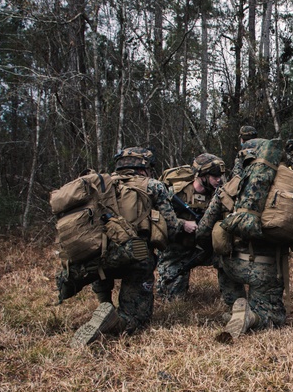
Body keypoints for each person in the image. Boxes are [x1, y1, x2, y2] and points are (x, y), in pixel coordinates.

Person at [68, 147, 197, 346]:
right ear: (144, 167)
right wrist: (180, 226)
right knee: (139, 318)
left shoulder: (101, 184)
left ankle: (105, 305)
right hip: (136, 256)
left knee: (105, 269)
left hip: (101, 256)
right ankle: (118, 320)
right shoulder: (153, 186)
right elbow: (171, 226)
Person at [196, 138, 287, 341]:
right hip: (267, 269)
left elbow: (202, 231)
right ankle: (253, 316)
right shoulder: (282, 190)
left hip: (232, 266)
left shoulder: (226, 189)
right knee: (274, 319)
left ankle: (234, 305)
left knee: (220, 250)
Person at [156, 153, 227, 300]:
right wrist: (182, 224)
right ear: (202, 176)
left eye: (220, 175)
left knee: (228, 255)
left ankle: (230, 296)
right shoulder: (176, 192)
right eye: (215, 176)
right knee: (171, 299)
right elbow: (158, 219)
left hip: (207, 246)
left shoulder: (220, 194)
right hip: (178, 249)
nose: (219, 179)